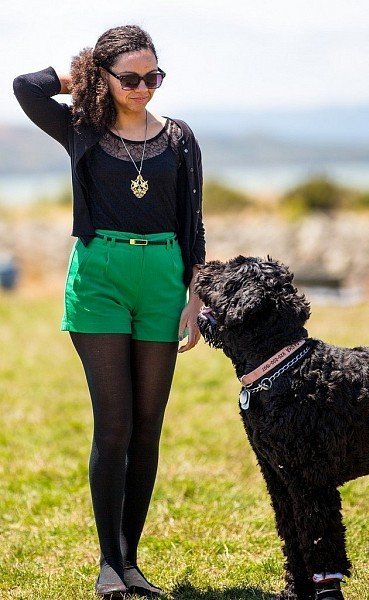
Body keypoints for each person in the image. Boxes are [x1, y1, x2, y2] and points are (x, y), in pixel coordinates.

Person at [13, 24, 205, 598]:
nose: (144, 88)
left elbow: (191, 221)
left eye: (154, 77)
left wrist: (196, 297)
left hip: (164, 280)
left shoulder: (180, 138)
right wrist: (84, 77)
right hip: (99, 281)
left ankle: (132, 560)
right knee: (115, 425)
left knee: (148, 430)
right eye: (131, 78)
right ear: (106, 75)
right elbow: (26, 88)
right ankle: (107, 565)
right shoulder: (81, 127)